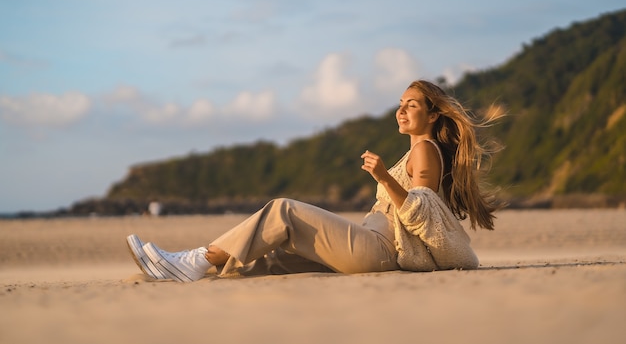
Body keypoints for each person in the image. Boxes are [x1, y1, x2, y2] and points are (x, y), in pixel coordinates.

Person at [126, 79, 504, 282]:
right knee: (275, 255)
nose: (402, 110)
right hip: (370, 245)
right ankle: (185, 271)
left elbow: (420, 211)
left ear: (433, 115)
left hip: (381, 249)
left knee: (283, 212)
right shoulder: (416, 151)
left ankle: (192, 260)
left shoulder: (425, 151)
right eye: (401, 103)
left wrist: (383, 177)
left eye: (413, 105)